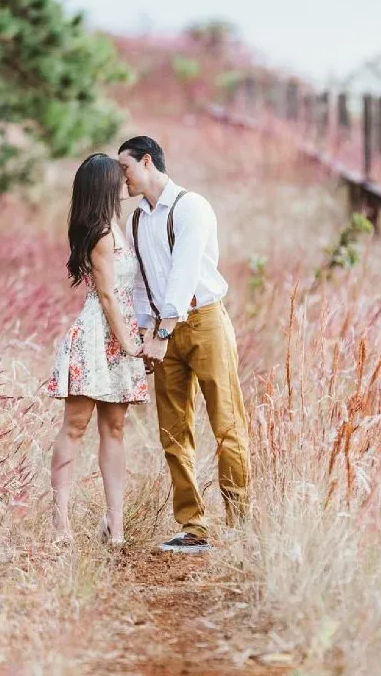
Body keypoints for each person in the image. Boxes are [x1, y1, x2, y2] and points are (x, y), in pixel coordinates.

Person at [118, 136, 250, 554]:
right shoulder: (135, 220)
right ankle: (194, 527)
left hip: (204, 321)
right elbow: (139, 284)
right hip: (162, 331)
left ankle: (240, 525)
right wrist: (146, 333)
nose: (121, 178)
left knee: (226, 423)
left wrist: (161, 333)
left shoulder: (191, 206)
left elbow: (185, 272)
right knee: (173, 430)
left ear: (146, 161)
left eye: (125, 168)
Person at [47, 154, 148, 545]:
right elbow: (106, 294)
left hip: (118, 333)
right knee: (75, 426)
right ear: (103, 186)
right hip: (97, 336)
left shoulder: (117, 226)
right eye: (117, 176)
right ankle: (61, 526)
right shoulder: (101, 233)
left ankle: (115, 525)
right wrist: (127, 343)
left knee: (115, 429)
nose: (124, 180)